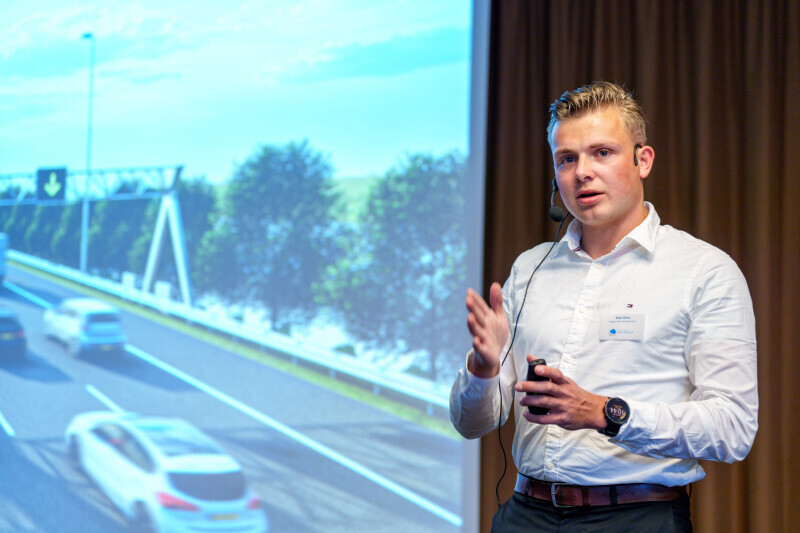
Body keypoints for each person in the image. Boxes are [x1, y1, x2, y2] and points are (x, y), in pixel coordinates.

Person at [449, 81, 758, 532]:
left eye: (602, 153)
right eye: (566, 159)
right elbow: (471, 424)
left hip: (636, 518)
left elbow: (732, 428)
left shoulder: (704, 270)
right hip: (525, 515)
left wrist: (605, 413)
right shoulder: (531, 268)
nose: (582, 173)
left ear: (642, 160)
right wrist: (483, 371)